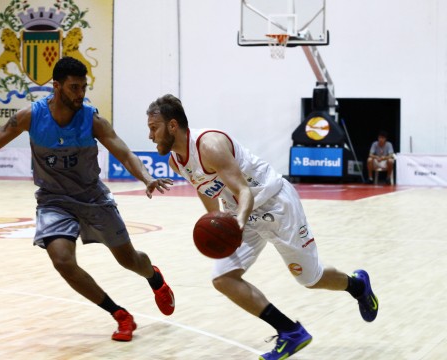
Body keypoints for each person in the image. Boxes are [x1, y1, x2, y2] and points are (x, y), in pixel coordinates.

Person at [0, 57, 175, 341]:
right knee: (62, 261)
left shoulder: (92, 118)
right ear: (56, 86)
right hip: (53, 200)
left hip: (93, 197)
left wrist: (146, 178)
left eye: (84, 87)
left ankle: (154, 278)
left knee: (129, 260)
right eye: (74, 87)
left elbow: (123, 152)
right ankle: (120, 314)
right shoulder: (31, 116)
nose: (80, 94)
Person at [146, 94, 378, 360]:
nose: (151, 136)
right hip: (240, 216)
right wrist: (214, 222)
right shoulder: (177, 161)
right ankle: (290, 332)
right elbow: (206, 190)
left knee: (310, 279)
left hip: (276, 205)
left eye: (154, 128)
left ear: (173, 125)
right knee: (223, 278)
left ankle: (357, 286)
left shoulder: (209, 145)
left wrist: (237, 223)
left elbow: (244, 191)